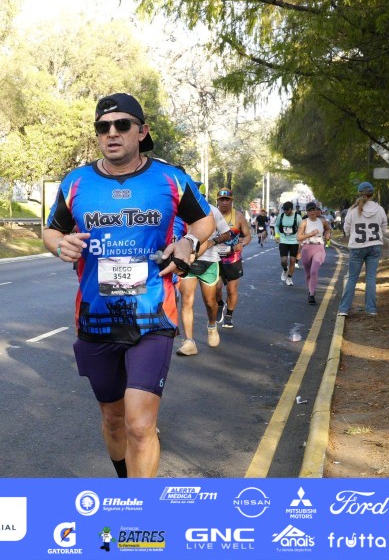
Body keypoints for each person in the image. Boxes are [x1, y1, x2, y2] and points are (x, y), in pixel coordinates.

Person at [43, 93, 214, 478]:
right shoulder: (76, 182)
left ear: (142, 131)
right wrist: (59, 244)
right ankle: (125, 485)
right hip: (95, 319)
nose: (112, 133)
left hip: (153, 316)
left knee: (140, 424)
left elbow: (204, 221)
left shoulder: (171, 179)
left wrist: (189, 241)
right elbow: (51, 230)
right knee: (114, 419)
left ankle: (139, 506)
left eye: (122, 125)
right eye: (103, 127)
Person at [175, 202, 232, 356]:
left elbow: (227, 234)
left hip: (209, 261)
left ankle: (212, 326)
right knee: (186, 300)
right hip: (187, 261)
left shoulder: (212, 210)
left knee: (210, 302)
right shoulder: (178, 210)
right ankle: (189, 342)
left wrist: (213, 242)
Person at [337, 182, 388, 317]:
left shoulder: (352, 211)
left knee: (352, 278)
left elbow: (347, 229)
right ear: (372, 194)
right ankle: (371, 309)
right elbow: (383, 228)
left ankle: (344, 309)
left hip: (357, 248)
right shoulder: (380, 209)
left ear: (359, 194)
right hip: (374, 246)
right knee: (371, 278)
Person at [213, 188, 251, 329]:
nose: (224, 203)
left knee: (231, 290)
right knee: (216, 288)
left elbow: (248, 236)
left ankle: (229, 315)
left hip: (233, 259)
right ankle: (220, 304)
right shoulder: (211, 215)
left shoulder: (238, 217)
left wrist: (241, 244)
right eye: (221, 200)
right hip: (215, 258)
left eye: (227, 200)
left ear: (231, 201)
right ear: (217, 201)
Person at [296, 202, 331, 305]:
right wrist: (310, 234)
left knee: (314, 271)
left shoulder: (322, 221)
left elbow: (328, 229)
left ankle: (311, 295)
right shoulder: (304, 222)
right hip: (307, 248)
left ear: (317, 210)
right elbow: (299, 237)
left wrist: (327, 234)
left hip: (319, 248)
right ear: (307, 212)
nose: (312, 212)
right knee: (308, 274)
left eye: (314, 210)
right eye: (310, 210)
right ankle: (311, 290)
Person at [274, 201, 302, 286]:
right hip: (283, 240)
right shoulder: (281, 216)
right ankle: (285, 270)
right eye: (284, 210)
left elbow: (301, 229)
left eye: (287, 210)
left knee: (293, 260)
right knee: (284, 260)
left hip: (294, 241)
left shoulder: (297, 217)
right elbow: (276, 226)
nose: (285, 212)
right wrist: (277, 235)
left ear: (291, 209)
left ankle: (289, 278)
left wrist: (300, 242)